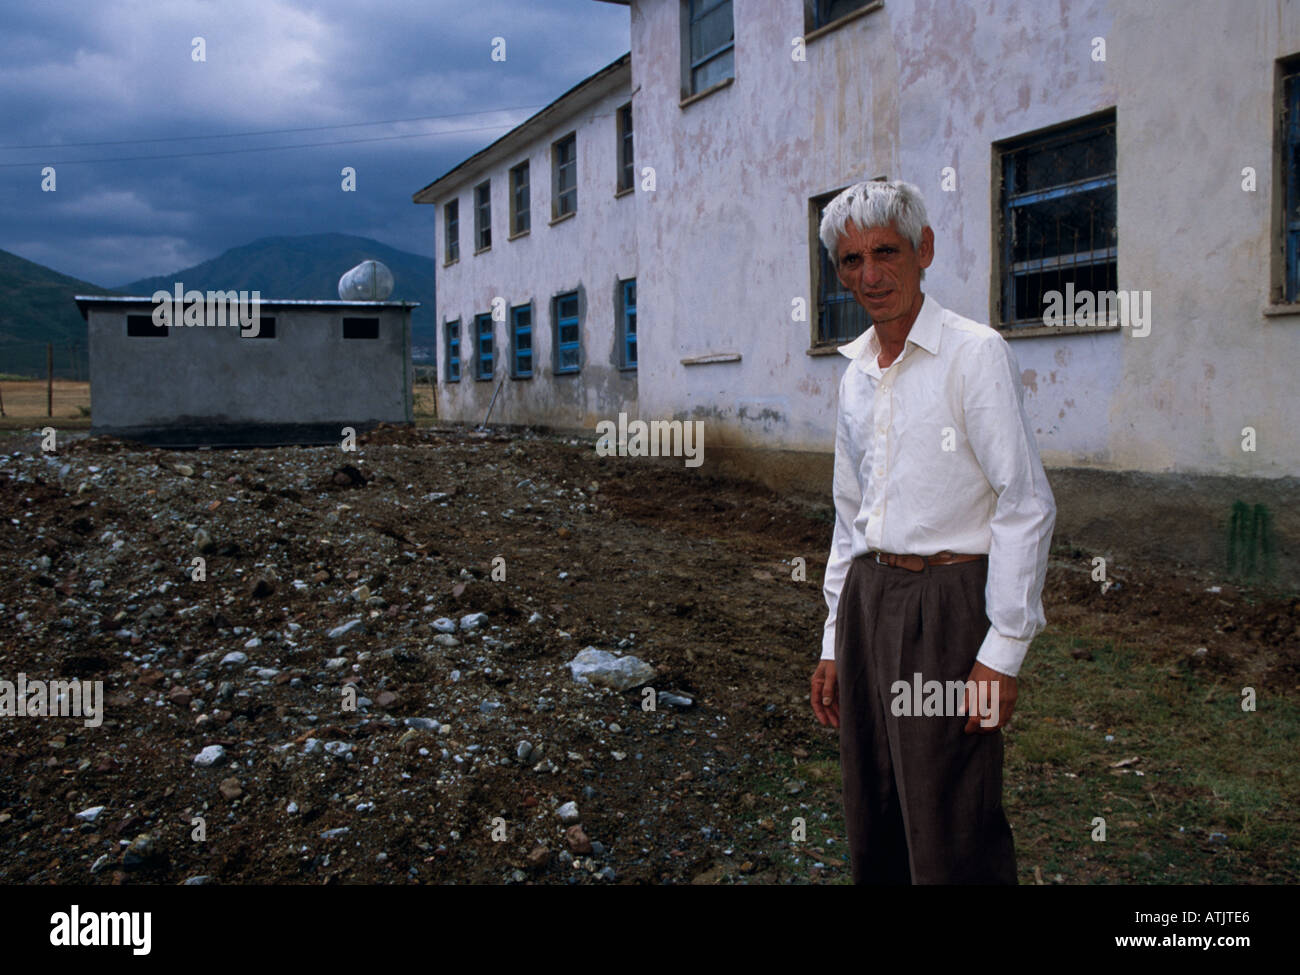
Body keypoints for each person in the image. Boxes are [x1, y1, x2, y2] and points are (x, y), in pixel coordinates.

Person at [809, 180, 1056, 884]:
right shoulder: (856, 372)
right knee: (874, 805)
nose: (870, 275)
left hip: (946, 609)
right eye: (851, 260)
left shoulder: (974, 355)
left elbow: (1025, 500)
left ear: (925, 250)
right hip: (867, 599)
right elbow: (846, 513)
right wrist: (834, 639)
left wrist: (1001, 653)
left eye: (885, 252)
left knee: (951, 818)